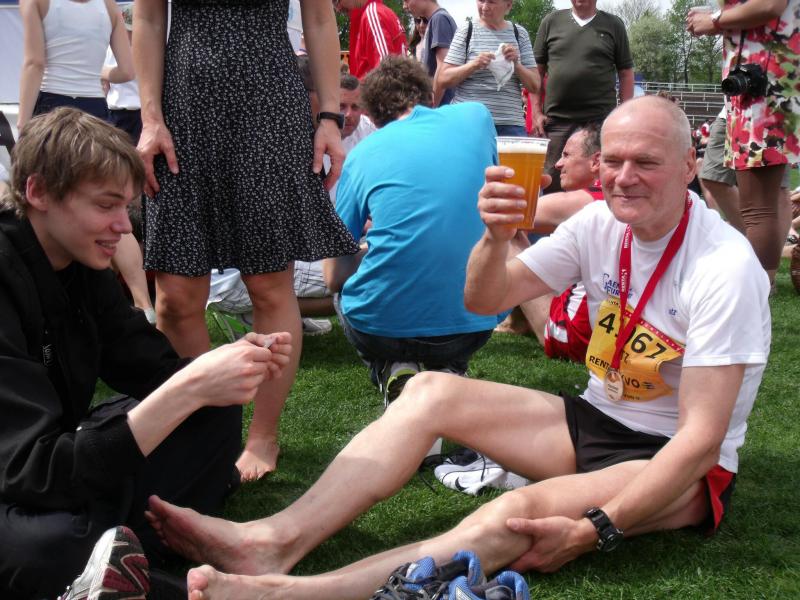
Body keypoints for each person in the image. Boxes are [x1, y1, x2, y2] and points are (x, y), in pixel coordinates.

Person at [143, 96, 770, 600]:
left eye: (646, 162)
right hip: (599, 418)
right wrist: (495, 238)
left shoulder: (722, 266)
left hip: (674, 462)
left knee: (515, 515)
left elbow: (700, 440)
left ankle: (297, 593)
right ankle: (272, 540)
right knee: (425, 391)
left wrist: (594, 529)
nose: (624, 177)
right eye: (613, 160)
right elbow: (485, 297)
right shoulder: (599, 222)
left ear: (689, 166)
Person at [0, 108, 292, 600]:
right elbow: (31, 468)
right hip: (21, 475)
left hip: (57, 465)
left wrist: (221, 370)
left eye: (126, 207)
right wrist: (189, 388)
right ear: (39, 192)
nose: (123, 226)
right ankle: (131, 544)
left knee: (214, 407)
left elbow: (150, 366)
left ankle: (114, 551)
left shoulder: (82, 265)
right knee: (47, 546)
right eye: (106, 206)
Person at [134, 0, 359, 481]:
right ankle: (206, 433)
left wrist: (329, 117)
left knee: (269, 285)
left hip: (269, 109)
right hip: (180, 110)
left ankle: (262, 435)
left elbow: (321, 20)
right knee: (175, 297)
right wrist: (150, 117)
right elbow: (149, 19)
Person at [324, 56, 499, 404]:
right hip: (473, 326)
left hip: (381, 331)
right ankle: (449, 369)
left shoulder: (361, 154)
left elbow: (332, 274)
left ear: (374, 117)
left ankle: (392, 367)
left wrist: (371, 249)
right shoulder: (477, 117)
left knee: (342, 292)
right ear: (429, 97)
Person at [687, 0, 799, 285]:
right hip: (757, 84)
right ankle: (761, 288)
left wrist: (714, 19)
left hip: (765, 86)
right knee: (759, 205)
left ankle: (757, 293)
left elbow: (770, 4)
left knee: (758, 207)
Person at [500, 125, 604, 363]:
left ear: (596, 162)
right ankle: (516, 320)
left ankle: (514, 323)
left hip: (571, 336)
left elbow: (508, 214)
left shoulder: (585, 202)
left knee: (506, 230)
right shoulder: (624, 203)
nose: (558, 164)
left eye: (566, 155)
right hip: (608, 334)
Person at [532, 0, 634, 192]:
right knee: (552, 181)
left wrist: (624, 115)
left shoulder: (614, 24)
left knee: (602, 181)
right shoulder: (551, 21)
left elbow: (626, 72)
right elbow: (536, 71)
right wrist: (536, 112)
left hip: (599, 121)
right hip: (557, 121)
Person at [17, 0, 134, 130]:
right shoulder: (110, 6)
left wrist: (23, 124)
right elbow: (127, 72)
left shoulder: (35, 2)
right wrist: (94, 72)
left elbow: (35, 64)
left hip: (51, 103)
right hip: (94, 106)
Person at [438, 0, 539, 136]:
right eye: (481, 1)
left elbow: (535, 85)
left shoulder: (520, 34)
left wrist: (516, 65)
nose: (485, 7)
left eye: (491, 2)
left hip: (509, 125)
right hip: (469, 123)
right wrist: (474, 65)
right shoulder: (466, 31)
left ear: (508, 5)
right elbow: (443, 79)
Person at [334, 0, 408, 79]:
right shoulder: (376, 12)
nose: (338, 9)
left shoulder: (373, 14)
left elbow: (386, 73)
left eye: (336, 1)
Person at [404, 0, 458, 106]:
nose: (405, 6)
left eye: (406, 0)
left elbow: (442, 69)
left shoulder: (439, 19)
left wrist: (432, 107)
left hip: (443, 106)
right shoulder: (435, 19)